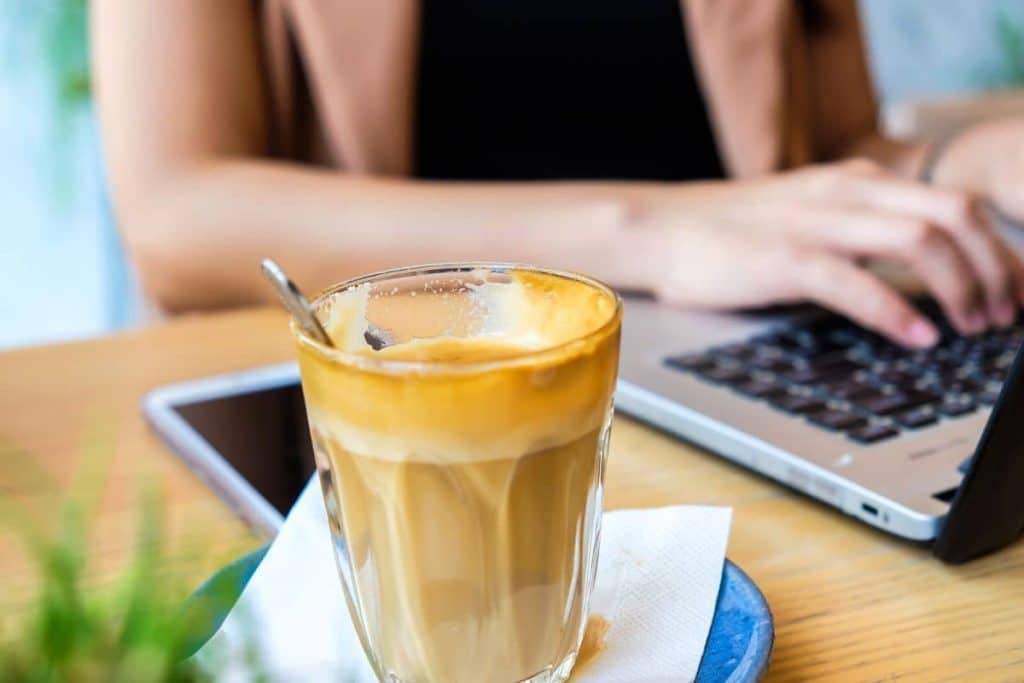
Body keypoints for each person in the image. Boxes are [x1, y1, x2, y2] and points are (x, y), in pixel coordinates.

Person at [92, 0, 1024, 348]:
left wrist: (963, 163)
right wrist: (655, 233)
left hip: (749, 360)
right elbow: (179, 213)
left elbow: (827, 153)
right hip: (398, 414)